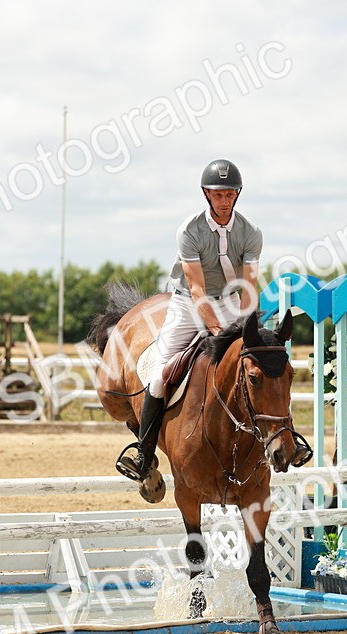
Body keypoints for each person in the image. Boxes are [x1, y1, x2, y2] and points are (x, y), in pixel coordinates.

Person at [116, 159, 263, 481]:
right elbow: (197, 289)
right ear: (206, 195)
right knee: (160, 376)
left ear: (237, 195)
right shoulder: (190, 230)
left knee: (261, 365)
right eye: (218, 194)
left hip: (230, 301)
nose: (224, 201)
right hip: (187, 305)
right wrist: (216, 330)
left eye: (229, 194)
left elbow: (249, 284)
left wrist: (252, 326)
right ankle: (144, 452)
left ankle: (269, 443)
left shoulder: (250, 232)